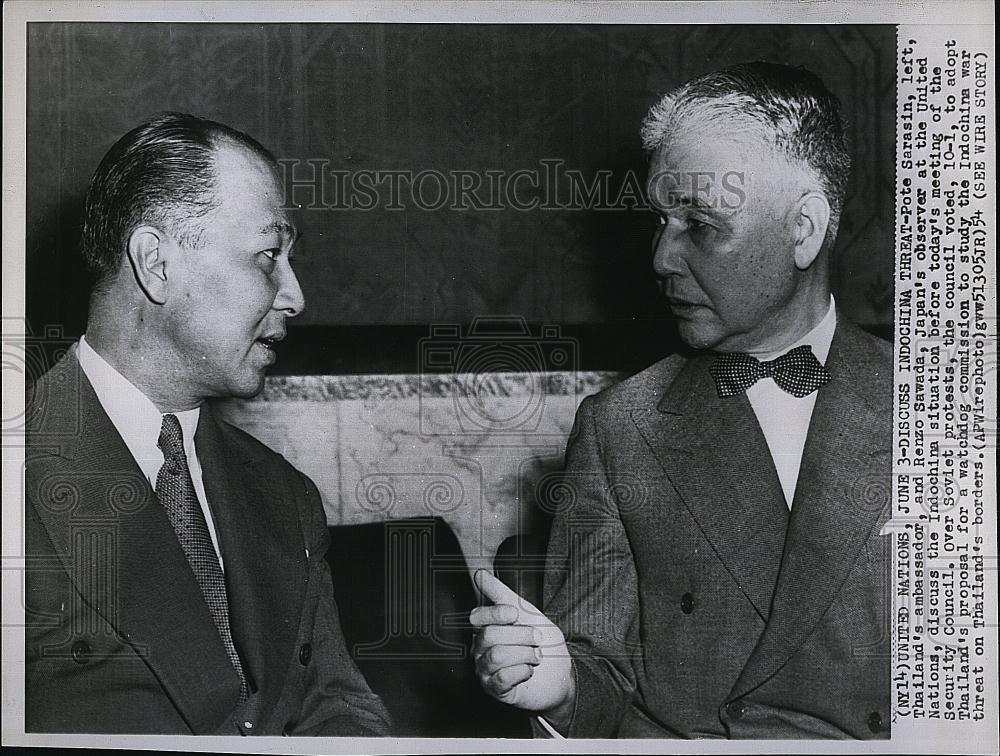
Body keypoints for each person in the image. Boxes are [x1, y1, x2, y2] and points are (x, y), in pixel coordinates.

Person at [470, 62, 892, 739]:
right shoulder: (621, 428)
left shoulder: (947, 409)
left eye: (700, 223)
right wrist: (557, 689)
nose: (662, 257)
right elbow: (598, 678)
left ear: (804, 228)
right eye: (661, 222)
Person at [24, 113, 391, 736]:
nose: (295, 296)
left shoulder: (285, 495)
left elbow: (338, 708)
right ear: (155, 263)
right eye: (268, 256)